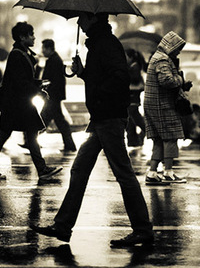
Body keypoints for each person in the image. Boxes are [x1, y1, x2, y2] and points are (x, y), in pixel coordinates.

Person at [31, 13, 154, 247]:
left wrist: (98, 96)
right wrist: (83, 72)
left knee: (123, 173)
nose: (79, 23)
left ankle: (142, 229)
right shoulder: (99, 44)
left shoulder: (107, 45)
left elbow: (119, 78)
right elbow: (101, 77)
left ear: (94, 20)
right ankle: (63, 226)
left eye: (83, 19)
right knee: (79, 169)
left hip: (108, 118)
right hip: (101, 118)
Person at [0, 22, 62, 181]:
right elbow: (20, 82)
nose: (34, 37)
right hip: (16, 104)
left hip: (20, 103)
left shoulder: (22, 52)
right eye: (30, 34)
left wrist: (38, 84)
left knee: (27, 134)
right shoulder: (17, 54)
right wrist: (38, 90)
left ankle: (41, 169)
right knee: (6, 133)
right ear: (22, 37)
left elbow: (24, 80)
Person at [143, 31, 193, 185]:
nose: (178, 52)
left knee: (159, 139)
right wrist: (180, 79)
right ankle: (168, 172)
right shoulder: (163, 59)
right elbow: (167, 80)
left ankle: (152, 172)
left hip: (155, 103)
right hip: (161, 104)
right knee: (171, 137)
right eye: (177, 48)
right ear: (170, 46)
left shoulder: (158, 58)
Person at [40, 38, 76, 152]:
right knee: (57, 120)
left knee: (44, 119)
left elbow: (52, 80)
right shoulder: (54, 59)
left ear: (49, 48)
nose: (42, 51)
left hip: (53, 96)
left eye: (43, 48)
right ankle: (69, 145)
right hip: (53, 96)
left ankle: (30, 141)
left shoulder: (54, 60)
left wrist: (46, 91)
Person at [125, 48, 146, 147]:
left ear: (131, 57)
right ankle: (133, 141)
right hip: (131, 95)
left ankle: (149, 131)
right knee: (130, 118)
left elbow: (135, 79)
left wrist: (126, 73)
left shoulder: (135, 66)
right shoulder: (132, 66)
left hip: (133, 95)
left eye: (126, 56)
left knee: (134, 116)